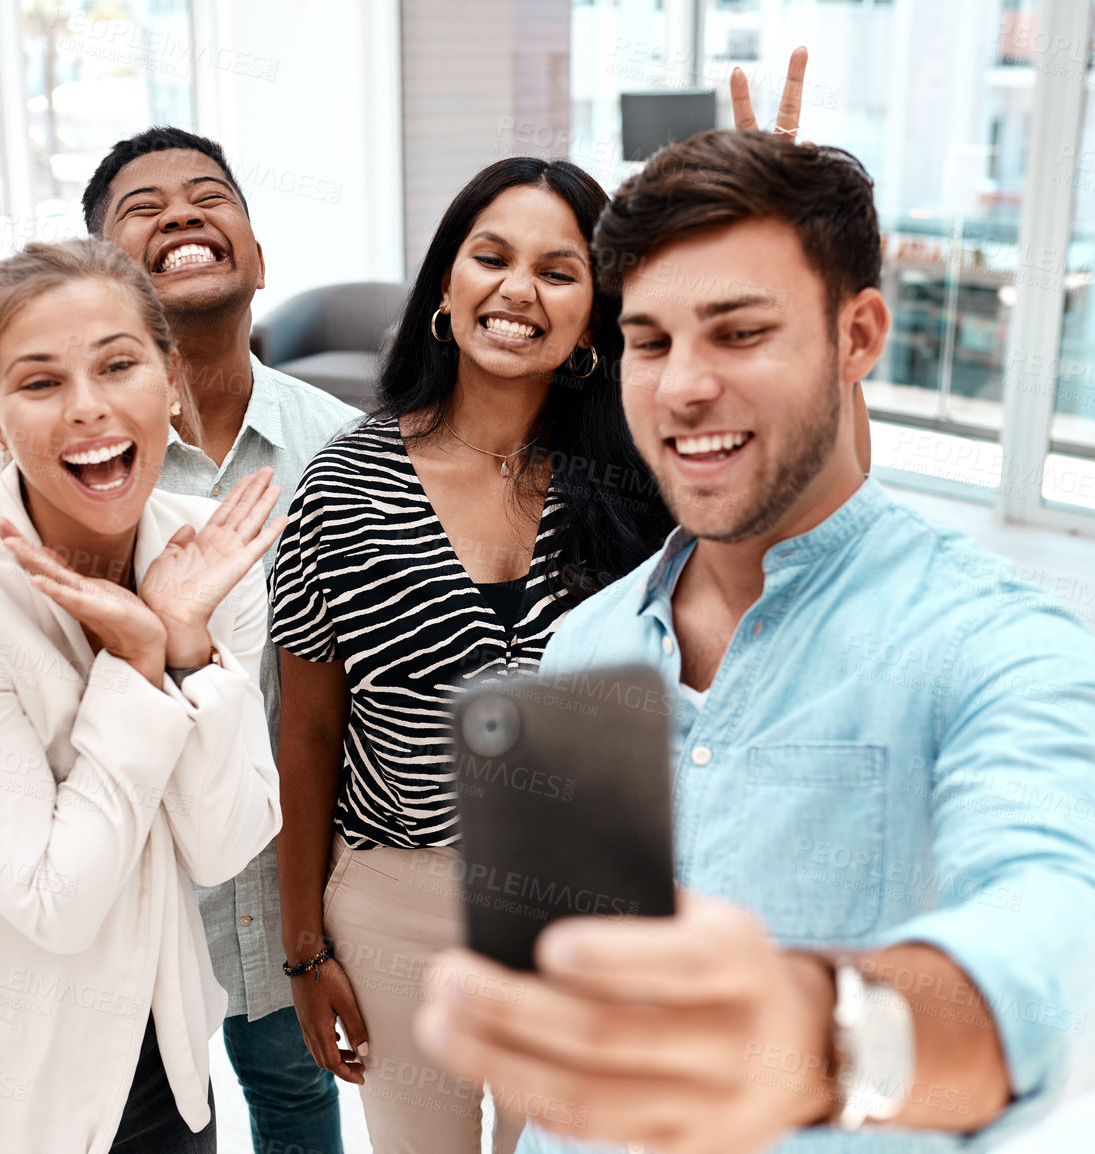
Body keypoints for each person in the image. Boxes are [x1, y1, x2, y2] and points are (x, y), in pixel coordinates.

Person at [412, 130, 1095, 1152]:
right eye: (653, 341)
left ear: (857, 337)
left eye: (739, 332)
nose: (681, 388)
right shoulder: (585, 645)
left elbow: (1073, 943)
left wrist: (822, 1035)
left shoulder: (996, 644)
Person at [0, 126, 359, 1154]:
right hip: (120, 911)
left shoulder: (348, 449)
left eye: (210, 194)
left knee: (299, 1101)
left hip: (286, 893)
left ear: (257, 258)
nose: (181, 213)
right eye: (142, 207)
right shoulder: (17, 494)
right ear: (103, 278)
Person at [270, 155, 674, 1153]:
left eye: (558, 269)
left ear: (594, 316)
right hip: (395, 901)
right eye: (489, 256)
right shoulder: (341, 483)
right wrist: (302, 947)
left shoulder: (642, 480)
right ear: (445, 287)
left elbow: (809, 499)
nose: (516, 290)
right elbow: (310, 726)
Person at [0, 238, 285, 1153]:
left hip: (161, 1071)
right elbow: (55, 900)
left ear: (169, 379)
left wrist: (189, 645)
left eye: (118, 365)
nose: (88, 408)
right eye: (40, 383)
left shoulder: (206, 552)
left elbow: (224, 845)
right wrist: (136, 660)